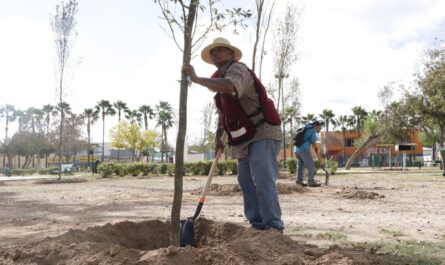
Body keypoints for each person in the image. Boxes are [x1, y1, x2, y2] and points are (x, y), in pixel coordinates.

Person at [182, 37, 284, 231]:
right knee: (245, 180)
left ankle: (273, 225)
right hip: (243, 137)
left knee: (262, 179)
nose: (215, 54)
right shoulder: (216, 79)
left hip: (263, 131)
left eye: (220, 50)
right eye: (213, 52)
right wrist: (219, 136)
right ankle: (257, 224)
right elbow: (226, 112)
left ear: (231, 54)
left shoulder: (237, 70)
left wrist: (196, 79)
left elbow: (230, 86)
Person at [294, 120, 322, 187]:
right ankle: (311, 182)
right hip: (304, 149)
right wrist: (316, 150)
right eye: (319, 127)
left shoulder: (305, 128)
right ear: (315, 125)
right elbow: (313, 142)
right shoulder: (312, 130)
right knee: (311, 166)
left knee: (300, 166)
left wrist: (314, 148)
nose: (319, 129)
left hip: (296, 150)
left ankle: (298, 182)